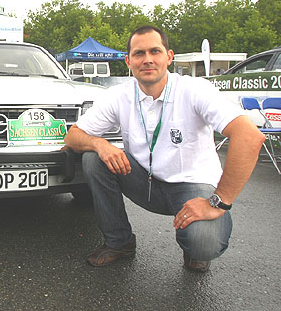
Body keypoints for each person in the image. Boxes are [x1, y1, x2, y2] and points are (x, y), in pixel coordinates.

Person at [64, 26, 264, 272]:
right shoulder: (120, 95)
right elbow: (72, 136)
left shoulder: (195, 90)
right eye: (139, 53)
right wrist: (100, 143)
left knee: (203, 241)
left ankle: (194, 249)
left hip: (191, 186)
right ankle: (120, 242)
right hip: (144, 182)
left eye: (154, 51)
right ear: (128, 61)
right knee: (94, 159)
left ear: (169, 57)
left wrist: (217, 202)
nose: (147, 59)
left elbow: (249, 136)